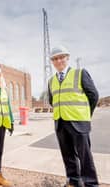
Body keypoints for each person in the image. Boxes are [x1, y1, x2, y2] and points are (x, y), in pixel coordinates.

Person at [48, 46, 99, 187]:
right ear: (52, 61)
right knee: (68, 155)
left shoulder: (80, 73)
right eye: (55, 58)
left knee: (85, 157)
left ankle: (91, 184)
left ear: (67, 58)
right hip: (60, 122)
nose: (58, 61)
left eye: (61, 57)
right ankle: (73, 181)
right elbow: (52, 100)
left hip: (79, 122)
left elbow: (93, 95)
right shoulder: (51, 81)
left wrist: (86, 115)